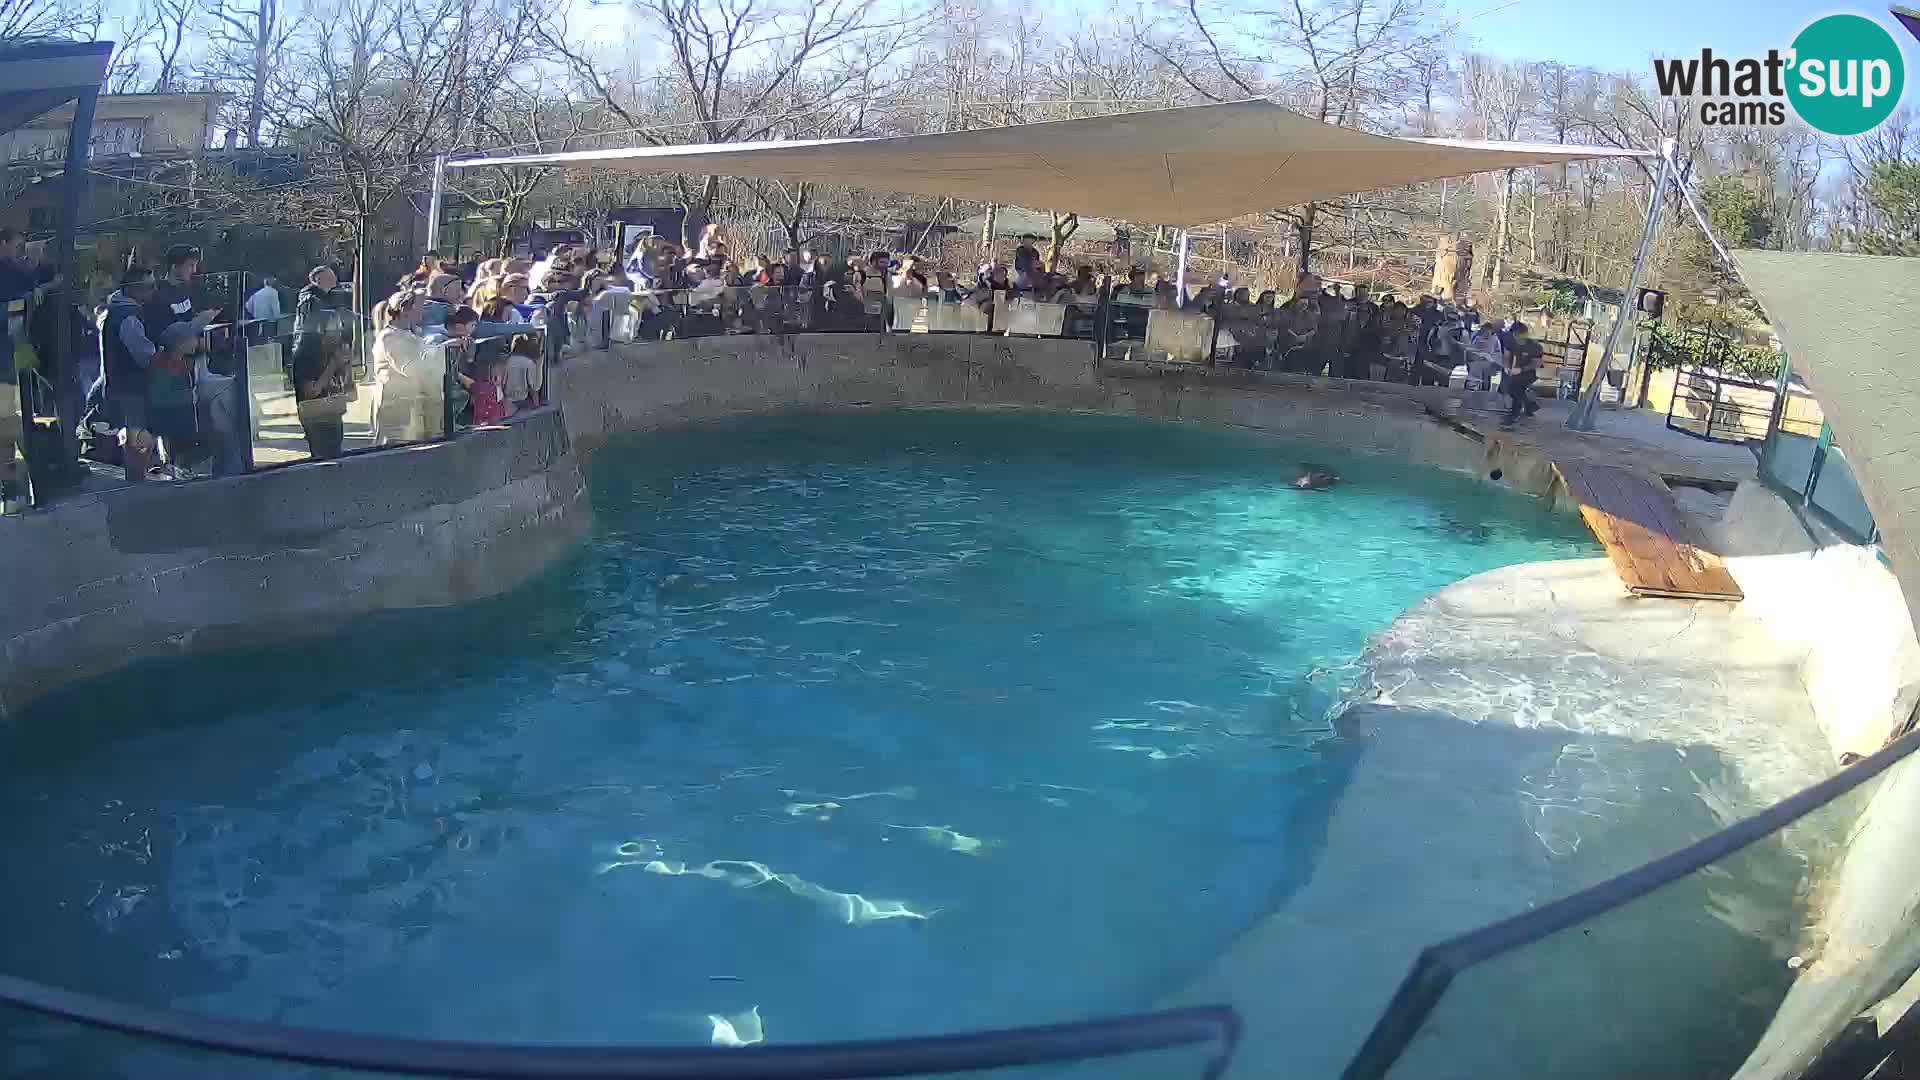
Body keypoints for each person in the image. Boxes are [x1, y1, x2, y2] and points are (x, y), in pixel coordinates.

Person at [291, 266, 356, 459]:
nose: (339, 330)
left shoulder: (333, 349)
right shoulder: (307, 352)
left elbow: (351, 395)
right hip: (318, 419)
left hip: (333, 413)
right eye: (334, 326)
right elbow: (311, 391)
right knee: (323, 454)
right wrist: (334, 366)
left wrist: (346, 369)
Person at [371, 289, 438, 444]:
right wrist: (440, 350)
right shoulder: (390, 337)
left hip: (413, 404)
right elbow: (409, 369)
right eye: (421, 305)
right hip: (395, 405)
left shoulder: (414, 332)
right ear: (405, 310)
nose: (425, 309)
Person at [1501, 321, 1544, 428]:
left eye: (1522, 335)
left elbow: (1537, 363)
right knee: (1508, 389)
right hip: (1513, 371)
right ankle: (1530, 405)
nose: (1519, 338)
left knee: (1516, 389)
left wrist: (1521, 369)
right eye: (1516, 335)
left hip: (1528, 372)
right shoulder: (1510, 341)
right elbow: (1506, 355)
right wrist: (1506, 366)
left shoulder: (1534, 346)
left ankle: (1513, 415)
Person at [244, 275, 282, 342]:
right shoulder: (274, 292)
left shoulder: (257, 293)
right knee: (269, 343)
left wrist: (255, 314)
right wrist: (277, 318)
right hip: (269, 323)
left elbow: (248, 305)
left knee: (258, 343)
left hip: (257, 323)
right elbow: (276, 310)